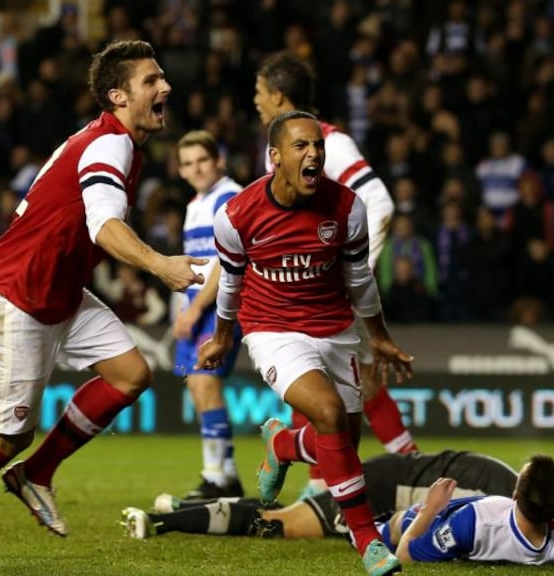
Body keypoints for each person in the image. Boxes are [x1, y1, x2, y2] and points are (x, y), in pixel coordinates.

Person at [0, 39, 206, 562]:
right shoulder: (111, 145)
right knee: (6, 437)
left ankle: (37, 473)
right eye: (152, 81)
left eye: (162, 77)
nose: (165, 86)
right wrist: (159, 264)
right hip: (18, 295)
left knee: (130, 373)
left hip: (54, 290)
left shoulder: (116, 141)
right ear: (118, 96)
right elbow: (103, 226)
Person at [196, 110, 413, 576]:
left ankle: (284, 445)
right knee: (330, 414)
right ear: (274, 157)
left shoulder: (347, 207)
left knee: (344, 442)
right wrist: (222, 336)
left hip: (335, 328)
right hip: (272, 329)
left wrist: (379, 338)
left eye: (318, 145)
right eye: (301, 146)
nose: (313, 153)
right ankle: (367, 540)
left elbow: (359, 279)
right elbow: (231, 285)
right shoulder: (237, 216)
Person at [254, 52, 415, 500]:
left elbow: (379, 203)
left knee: (349, 387)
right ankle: (329, 483)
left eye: (259, 92)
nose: (255, 101)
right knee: (335, 385)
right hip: (304, 289)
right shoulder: (282, 149)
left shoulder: (330, 143)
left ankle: (320, 476)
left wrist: (349, 273)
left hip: (333, 289)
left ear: (279, 96)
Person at [120, 450, 519, 540]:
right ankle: (163, 523)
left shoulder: (511, 481)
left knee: (288, 513)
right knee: (281, 524)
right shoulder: (506, 503)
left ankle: (181, 508)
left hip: (390, 478)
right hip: (379, 489)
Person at [392, 452, 554, 565]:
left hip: (416, 524)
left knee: (391, 526)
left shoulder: (474, 521)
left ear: (515, 495)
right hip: (453, 532)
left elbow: (405, 555)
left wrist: (431, 507)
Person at [172, 129, 244, 498]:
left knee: (205, 384)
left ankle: (215, 478)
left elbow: (225, 263)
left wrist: (196, 309)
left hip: (219, 309)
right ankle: (226, 474)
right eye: (188, 163)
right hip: (196, 310)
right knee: (199, 391)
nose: (196, 168)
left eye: (202, 160)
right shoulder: (195, 204)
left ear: (218, 160)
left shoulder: (229, 198)